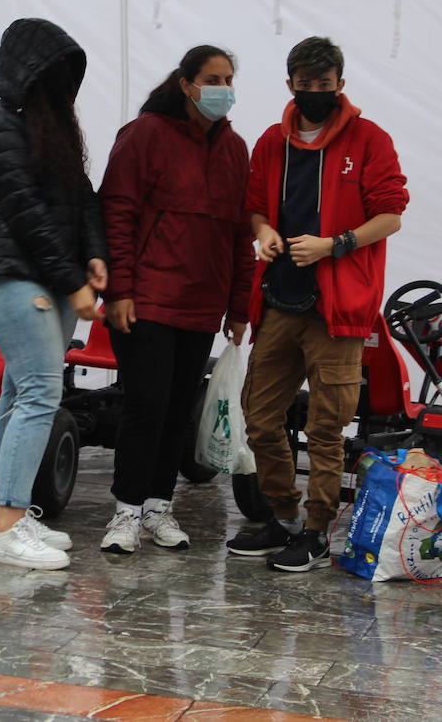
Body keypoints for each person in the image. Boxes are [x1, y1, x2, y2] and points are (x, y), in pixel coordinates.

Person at [227, 36, 408, 573]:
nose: (314, 94)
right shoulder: (269, 143)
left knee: (327, 427)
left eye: (324, 86)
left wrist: (336, 244)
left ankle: (315, 530)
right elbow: (255, 208)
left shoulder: (370, 140)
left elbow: (391, 214)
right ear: (291, 85)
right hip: (280, 299)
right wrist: (264, 234)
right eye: (305, 86)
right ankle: (282, 517)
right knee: (259, 417)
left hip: (339, 307)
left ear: (340, 86)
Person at [97, 46, 255, 554]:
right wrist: (118, 290)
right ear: (187, 84)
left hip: (202, 303)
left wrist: (239, 305)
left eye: (229, 79)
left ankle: (159, 507)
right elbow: (116, 215)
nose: (223, 89)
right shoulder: (143, 134)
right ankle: (125, 510)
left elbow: (239, 234)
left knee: (177, 410)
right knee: (145, 404)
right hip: (146, 298)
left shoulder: (236, 150)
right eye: (213, 78)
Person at [0, 17, 108, 570]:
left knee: (19, 395)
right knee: (40, 395)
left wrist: (94, 254)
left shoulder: (50, 131)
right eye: (51, 70)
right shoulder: (1, 126)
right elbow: (24, 215)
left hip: (50, 277)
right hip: (15, 277)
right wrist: (75, 282)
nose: (60, 83)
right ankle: (5, 528)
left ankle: (15, 514)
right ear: (26, 71)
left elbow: (83, 199)